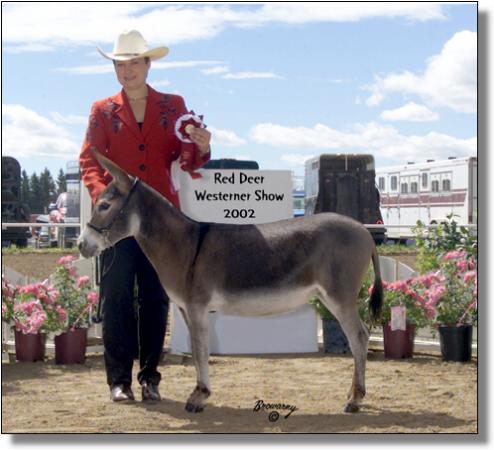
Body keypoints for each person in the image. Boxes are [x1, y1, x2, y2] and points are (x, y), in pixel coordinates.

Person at [80, 30, 211, 402]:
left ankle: (150, 378)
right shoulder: (102, 110)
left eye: (134, 63)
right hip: (117, 225)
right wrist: (105, 199)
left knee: (156, 299)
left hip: (163, 226)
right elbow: (89, 160)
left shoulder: (174, 105)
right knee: (116, 298)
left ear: (148, 64)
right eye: (120, 64)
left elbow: (187, 158)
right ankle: (119, 381)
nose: (127, 70)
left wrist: (202, 147)